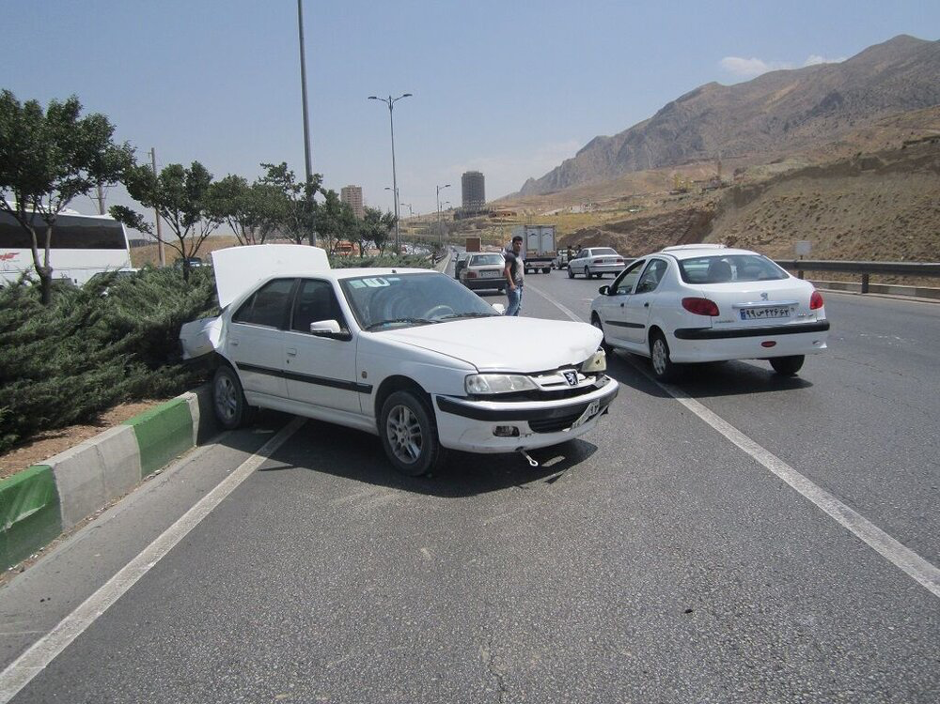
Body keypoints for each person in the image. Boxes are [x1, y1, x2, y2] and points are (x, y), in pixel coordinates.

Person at [503, 235, 524, 316]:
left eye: (520, 244)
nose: (518, 245)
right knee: (513, 306)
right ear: (513, 244)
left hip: (520, 285)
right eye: (517, 244)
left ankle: (515, 324)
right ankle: (506, 323)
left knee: (518, 307)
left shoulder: (518, 256)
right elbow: (507, 269)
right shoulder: (510, 256)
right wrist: (511, 284)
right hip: (514, 286)